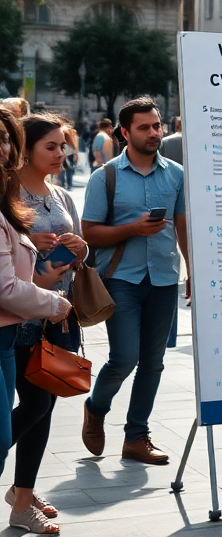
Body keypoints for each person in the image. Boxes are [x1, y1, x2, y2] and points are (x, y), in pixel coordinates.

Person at [80, 97, 188, 466]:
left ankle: (136, 437)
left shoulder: (176, 173)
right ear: (124, 133)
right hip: (120, 279)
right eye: (145, 127)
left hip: (163, 278)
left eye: (157, 125)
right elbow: (89, 233)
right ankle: (96, 408)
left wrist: (193, 273)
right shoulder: (104, 176)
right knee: (124, 358)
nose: (155, 132)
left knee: (153, 362)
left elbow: (183, 227)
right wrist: (132, 229)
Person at [15, 115, 88, 534]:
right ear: (26, 148)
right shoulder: (10, 196)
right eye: (51, 147)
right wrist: (36, 249)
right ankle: (21, 494)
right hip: (25, 316)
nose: (61, 154)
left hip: (61, 315)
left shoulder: (61, 194)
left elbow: (81, 249)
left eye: (63, 146)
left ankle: (23, 496)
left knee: (45, 408)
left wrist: (80, 248)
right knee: (36, 404)